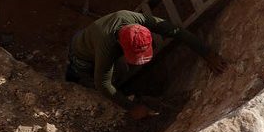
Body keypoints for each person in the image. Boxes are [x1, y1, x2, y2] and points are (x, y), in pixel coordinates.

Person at [65, 10, 226, 119]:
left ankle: (120, 87)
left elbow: (177, 31)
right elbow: (102, 84)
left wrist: (207, 53)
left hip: (96, 38)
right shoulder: (106, 46)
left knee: (118, 73)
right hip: (81, 51)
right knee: (82, 73)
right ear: (121, 44)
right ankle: (69, 83)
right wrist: (131, 107)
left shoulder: (138, 21)